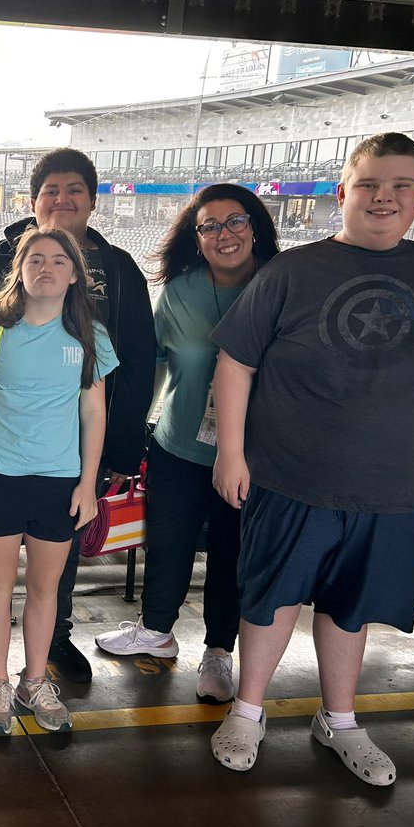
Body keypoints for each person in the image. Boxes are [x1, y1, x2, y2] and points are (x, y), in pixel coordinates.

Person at [209, 133, 414, 785]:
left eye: (400, 186)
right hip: (290, 475)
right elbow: (236, 363)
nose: (383, 198)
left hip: (393, 486)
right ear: (342, 194)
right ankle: (248, 711)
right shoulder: (291, 273)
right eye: (368, 185)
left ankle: (339, 720)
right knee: (270, 599)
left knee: (352, 608)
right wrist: (231, 451)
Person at [0, 147, 155, 682]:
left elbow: (137, 363)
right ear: (33, 201)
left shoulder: (121, 270)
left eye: (74, 189)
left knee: (61, 549)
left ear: (92, 201)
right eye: (51, 190)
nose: (62, 199)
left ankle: (54, 639)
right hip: (0, 444)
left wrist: (121, 449)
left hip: (76, 443)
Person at [94, 185, 280, 702]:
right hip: (178, 447)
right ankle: (156, 630)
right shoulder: (178, 291)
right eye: (209, 226)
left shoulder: (282, 285)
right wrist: (123, 437)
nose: (224, 235)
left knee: (231, 553)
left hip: (252, 455)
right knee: (168, 544)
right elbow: (153, 365)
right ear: (196, 239)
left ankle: (219, 651)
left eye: (235, 221)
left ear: (256, 226)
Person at [0, 226, 117, 733]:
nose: (47, 268)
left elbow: (94, 412)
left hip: (60, 483)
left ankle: (33, 678)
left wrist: (87, 483)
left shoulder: (90, 336)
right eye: (36, 259)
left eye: (59, 261)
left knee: (47, 590)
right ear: (19, 270)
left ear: (74, 276)